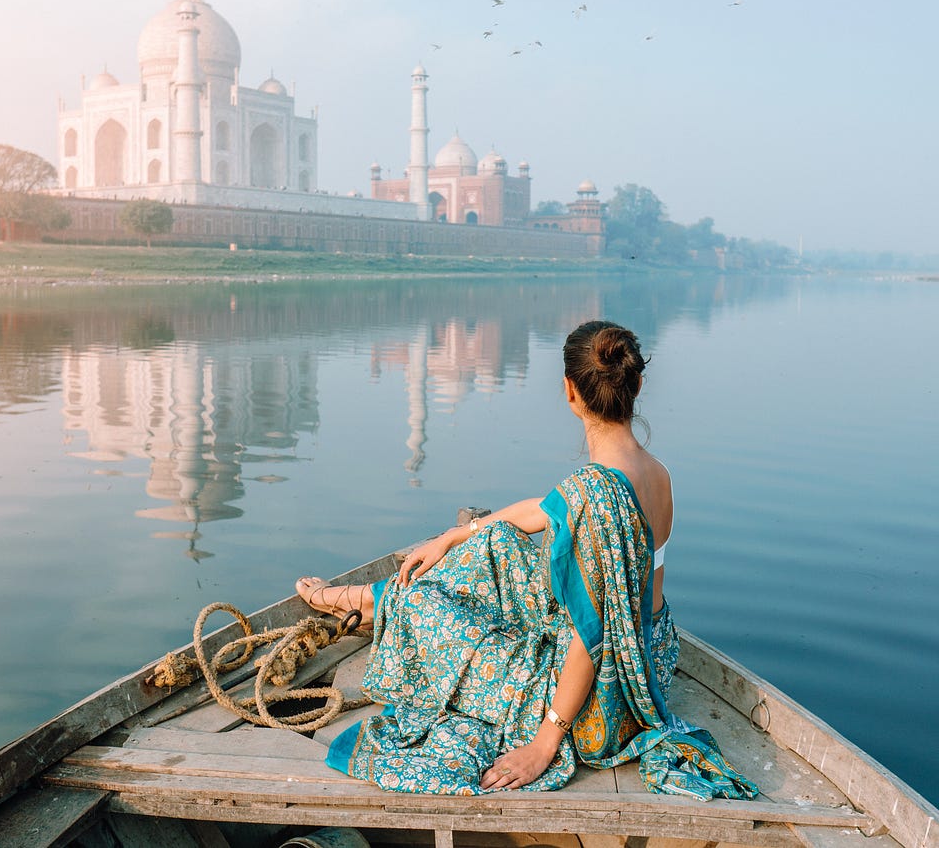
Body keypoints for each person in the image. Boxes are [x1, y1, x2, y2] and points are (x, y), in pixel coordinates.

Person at [297, 321, 756, 799]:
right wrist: (456, 535)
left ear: (569, 392)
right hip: (653, 650)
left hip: (606, 686)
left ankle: (376, 603)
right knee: (494, 542)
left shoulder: (594, 496)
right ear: (636, 384)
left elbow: (590, 634)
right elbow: (544, 508)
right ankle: (374, 600)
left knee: (421, 607)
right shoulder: (655, 473)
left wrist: (543, 742)